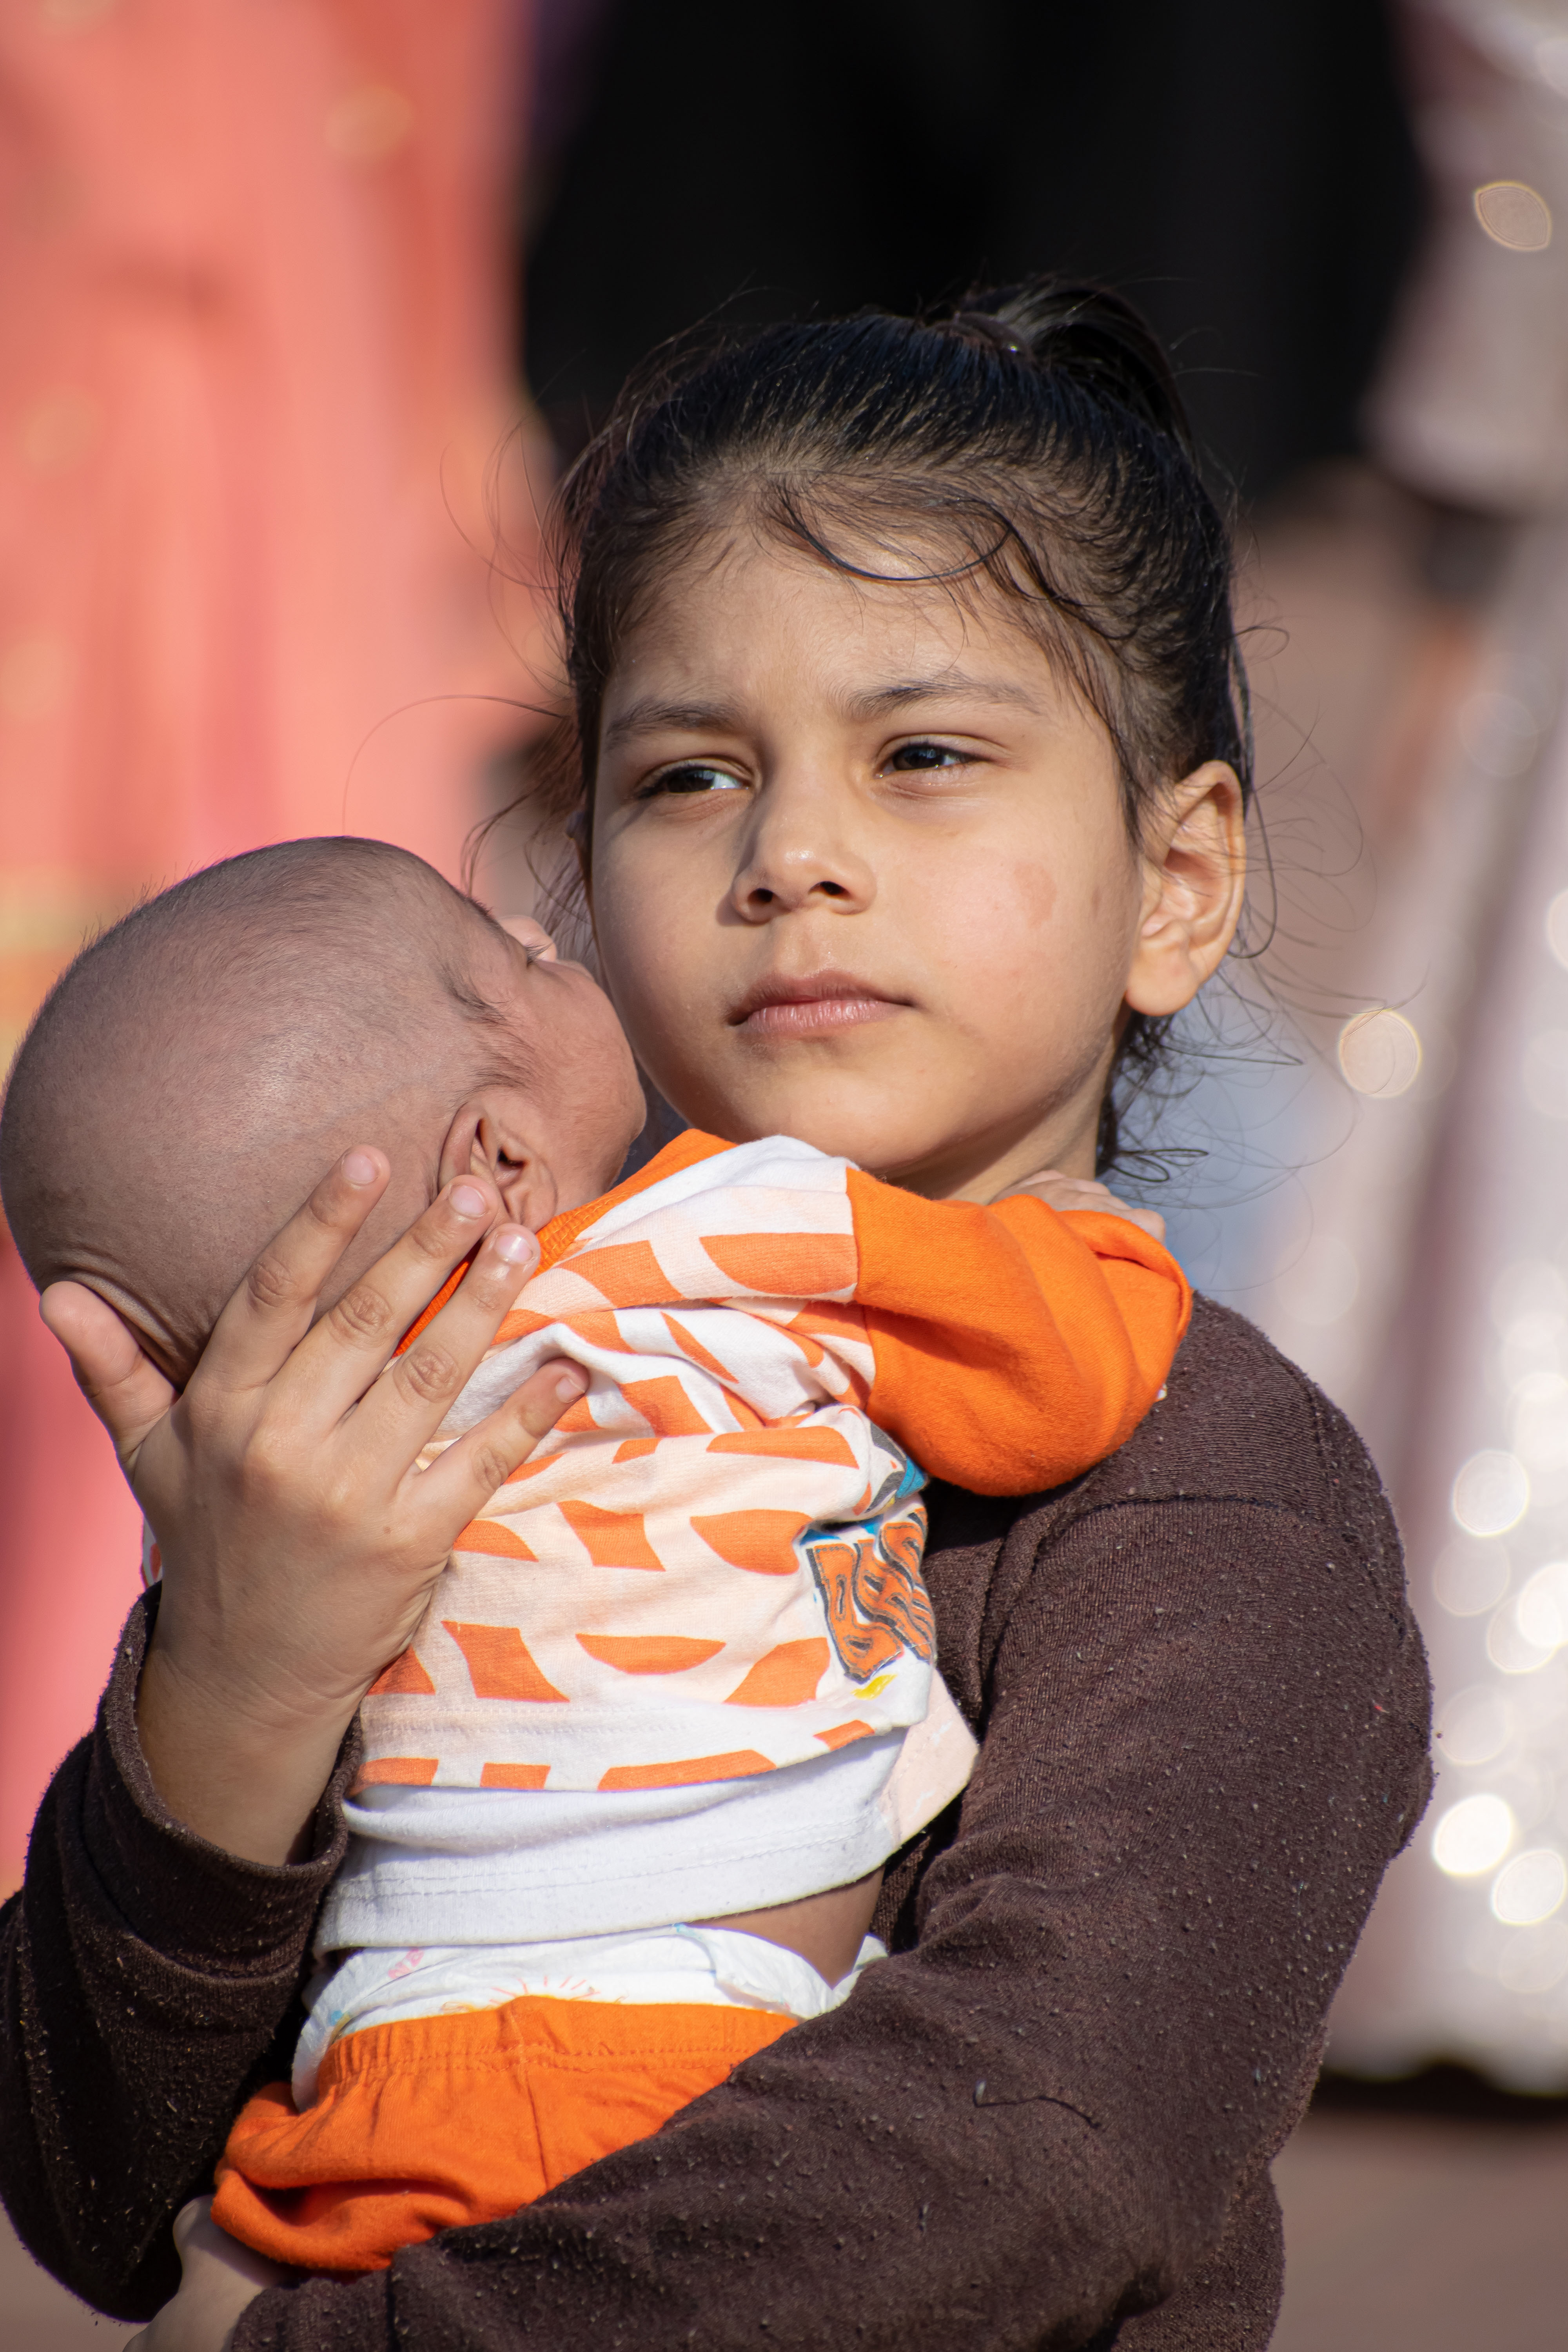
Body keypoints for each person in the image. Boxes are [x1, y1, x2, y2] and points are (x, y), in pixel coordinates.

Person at [0, 282, 1432, 2350]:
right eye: (687, 777)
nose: (794, 856)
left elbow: (1045, 2146)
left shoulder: (1211, 1492)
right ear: (574, 868)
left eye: (924, 756)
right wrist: (240, 1680)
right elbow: (92, 2188)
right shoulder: (449, 1419)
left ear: (1176, 883)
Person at [0, 831, 1185, 2308]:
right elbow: (1054, 1382)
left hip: (365, 2059)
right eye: (518, 960)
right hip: (676, 2037)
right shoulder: (727, 1229)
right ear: (498, 1158)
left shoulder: (269, 1506)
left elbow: (89, 2178)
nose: (543, 933)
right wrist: (1082, 1247)